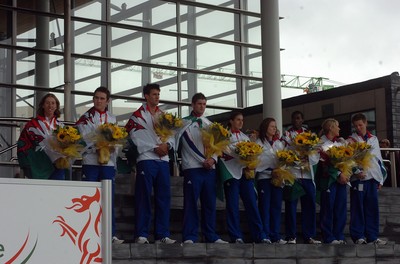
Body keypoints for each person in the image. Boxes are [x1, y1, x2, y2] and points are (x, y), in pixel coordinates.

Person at [125, 83, 175, 244]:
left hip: (163, 161)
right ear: (146, 96)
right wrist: (154, 147)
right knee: (143, 197)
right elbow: (135, 137)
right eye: (154, 94)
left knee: (164, 197)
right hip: (146, 159)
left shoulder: (165, 116)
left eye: (158, 94)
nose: (157, 97)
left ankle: (162, 235)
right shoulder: (137, 116)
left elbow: (173, 135)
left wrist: (167, 145)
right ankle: (142, 234)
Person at [176, 92, 227, 244]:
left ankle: (210, 235)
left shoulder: (209, 124)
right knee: (191, 203)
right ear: (192, 105)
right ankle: (190, 236)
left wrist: (213, 159)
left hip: (208, 169)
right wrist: (203, 159)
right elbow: (186, 143)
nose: (202, 107)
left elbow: (218, 145)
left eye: (204, 104)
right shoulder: (184, 123)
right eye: (199, 104)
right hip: (192, 168)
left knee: (209, 203)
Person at [76, 86, 123, 244]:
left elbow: (118, 139)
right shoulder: (85, 118)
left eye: (102, 98)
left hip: (108, 162)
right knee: (90, 199)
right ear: (93, 99)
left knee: (108, 198)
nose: (98, 101)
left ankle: (110, 233)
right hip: (91, 161)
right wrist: (96, 146)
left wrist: (111, 146)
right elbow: (83, 138)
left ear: (107, 101)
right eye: (96, 97)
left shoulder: (113, 118)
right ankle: (89, 233)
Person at [218, 111, 268, 243]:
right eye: (238, 120)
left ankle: (259, 235)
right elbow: (222, 154)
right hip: (231, 173)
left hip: (245, 175)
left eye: (242, 120)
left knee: (252, 204)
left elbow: (253, 154)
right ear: (231, 121)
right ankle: (236, 236)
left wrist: (250, 163)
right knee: (233, 205)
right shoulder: (224, 136)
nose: (241, 122)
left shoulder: (245, 138)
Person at [347, 113, 387, 244]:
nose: (358, 128)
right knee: (357, 208)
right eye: (356, 126)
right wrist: (356, 172)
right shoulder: (351, 140)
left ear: (366, 124)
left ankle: (373, 236)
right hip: (358, 179)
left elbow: (378, 160)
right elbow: (348, 159)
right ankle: (358, 236)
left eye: (360, 125)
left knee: (372, 209)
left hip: (372, 179)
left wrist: (380, 179)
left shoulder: (373, 138)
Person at [282, 111, 321, 244]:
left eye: (299, 118)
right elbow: (284, 152)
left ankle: (309, 235)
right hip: (293, 174)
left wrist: (308, 157)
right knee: (291, 205)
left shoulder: (310, 135)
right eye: (294, 118)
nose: (296, 120)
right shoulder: (287, 134)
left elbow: (316, 152)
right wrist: (296, 158)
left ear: (302, 119)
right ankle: (291, 236)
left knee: (309, 205)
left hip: (308, 175)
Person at [17, 93, 65, 180]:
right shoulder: (32, 124)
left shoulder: (61, 126)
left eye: (53, 103)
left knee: (57, 191)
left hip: (57, 165)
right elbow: (22, 143)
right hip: (39, 165)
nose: (50, 105)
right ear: (43, 105)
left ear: (57, 106)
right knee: (41, 192)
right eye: (47, 103)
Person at [255, 117, 287, 244]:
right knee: (265, 207)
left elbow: (285, 158)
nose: (274, 128)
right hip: (264, 177)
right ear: (265, 128)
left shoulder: (279, 143)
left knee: (276, 207)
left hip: (277, 178)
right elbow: (255, 161)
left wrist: (280, 170)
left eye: (275, 126)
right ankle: (265, 234)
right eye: (271, 126)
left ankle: (275, 235)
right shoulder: (258, 143)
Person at [317, 118, 348, 244]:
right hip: (328, 181)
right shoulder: (320, 144)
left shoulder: (340, 143)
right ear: (331, 128)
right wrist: (339, 174)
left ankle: (339, 235)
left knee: (340, 208)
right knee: (328, 208)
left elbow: (346, 161)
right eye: (337, 126)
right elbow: (323, 164)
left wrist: (346, 173)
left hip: (340, 182)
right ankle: (328, 237)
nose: (339, 129)